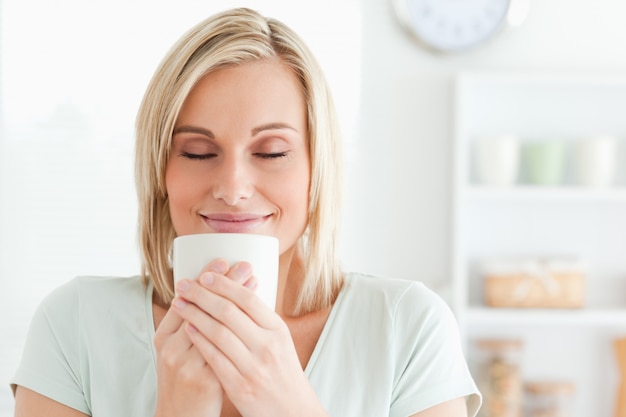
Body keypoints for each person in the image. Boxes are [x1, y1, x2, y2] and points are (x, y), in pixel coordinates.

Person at [11, 7, 481, 417]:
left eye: (272, 152)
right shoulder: (72, 325)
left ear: (318, 169)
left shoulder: (407, 328)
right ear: (160, 172)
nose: (233, 189)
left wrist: (289, 406)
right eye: (196, 152)